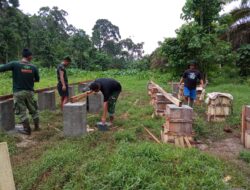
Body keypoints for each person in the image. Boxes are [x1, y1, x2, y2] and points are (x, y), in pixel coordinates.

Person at [0, 48, 40, 135]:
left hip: (18, 93)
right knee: (34, 110)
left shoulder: (15, 64)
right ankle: (37, 127)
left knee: (22, 112)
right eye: (31, 56)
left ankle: (27, 130)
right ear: (29, 56)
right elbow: (37, 79)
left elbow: (2, 68)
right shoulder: (33, 67)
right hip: (30, 92)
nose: (32, 57)